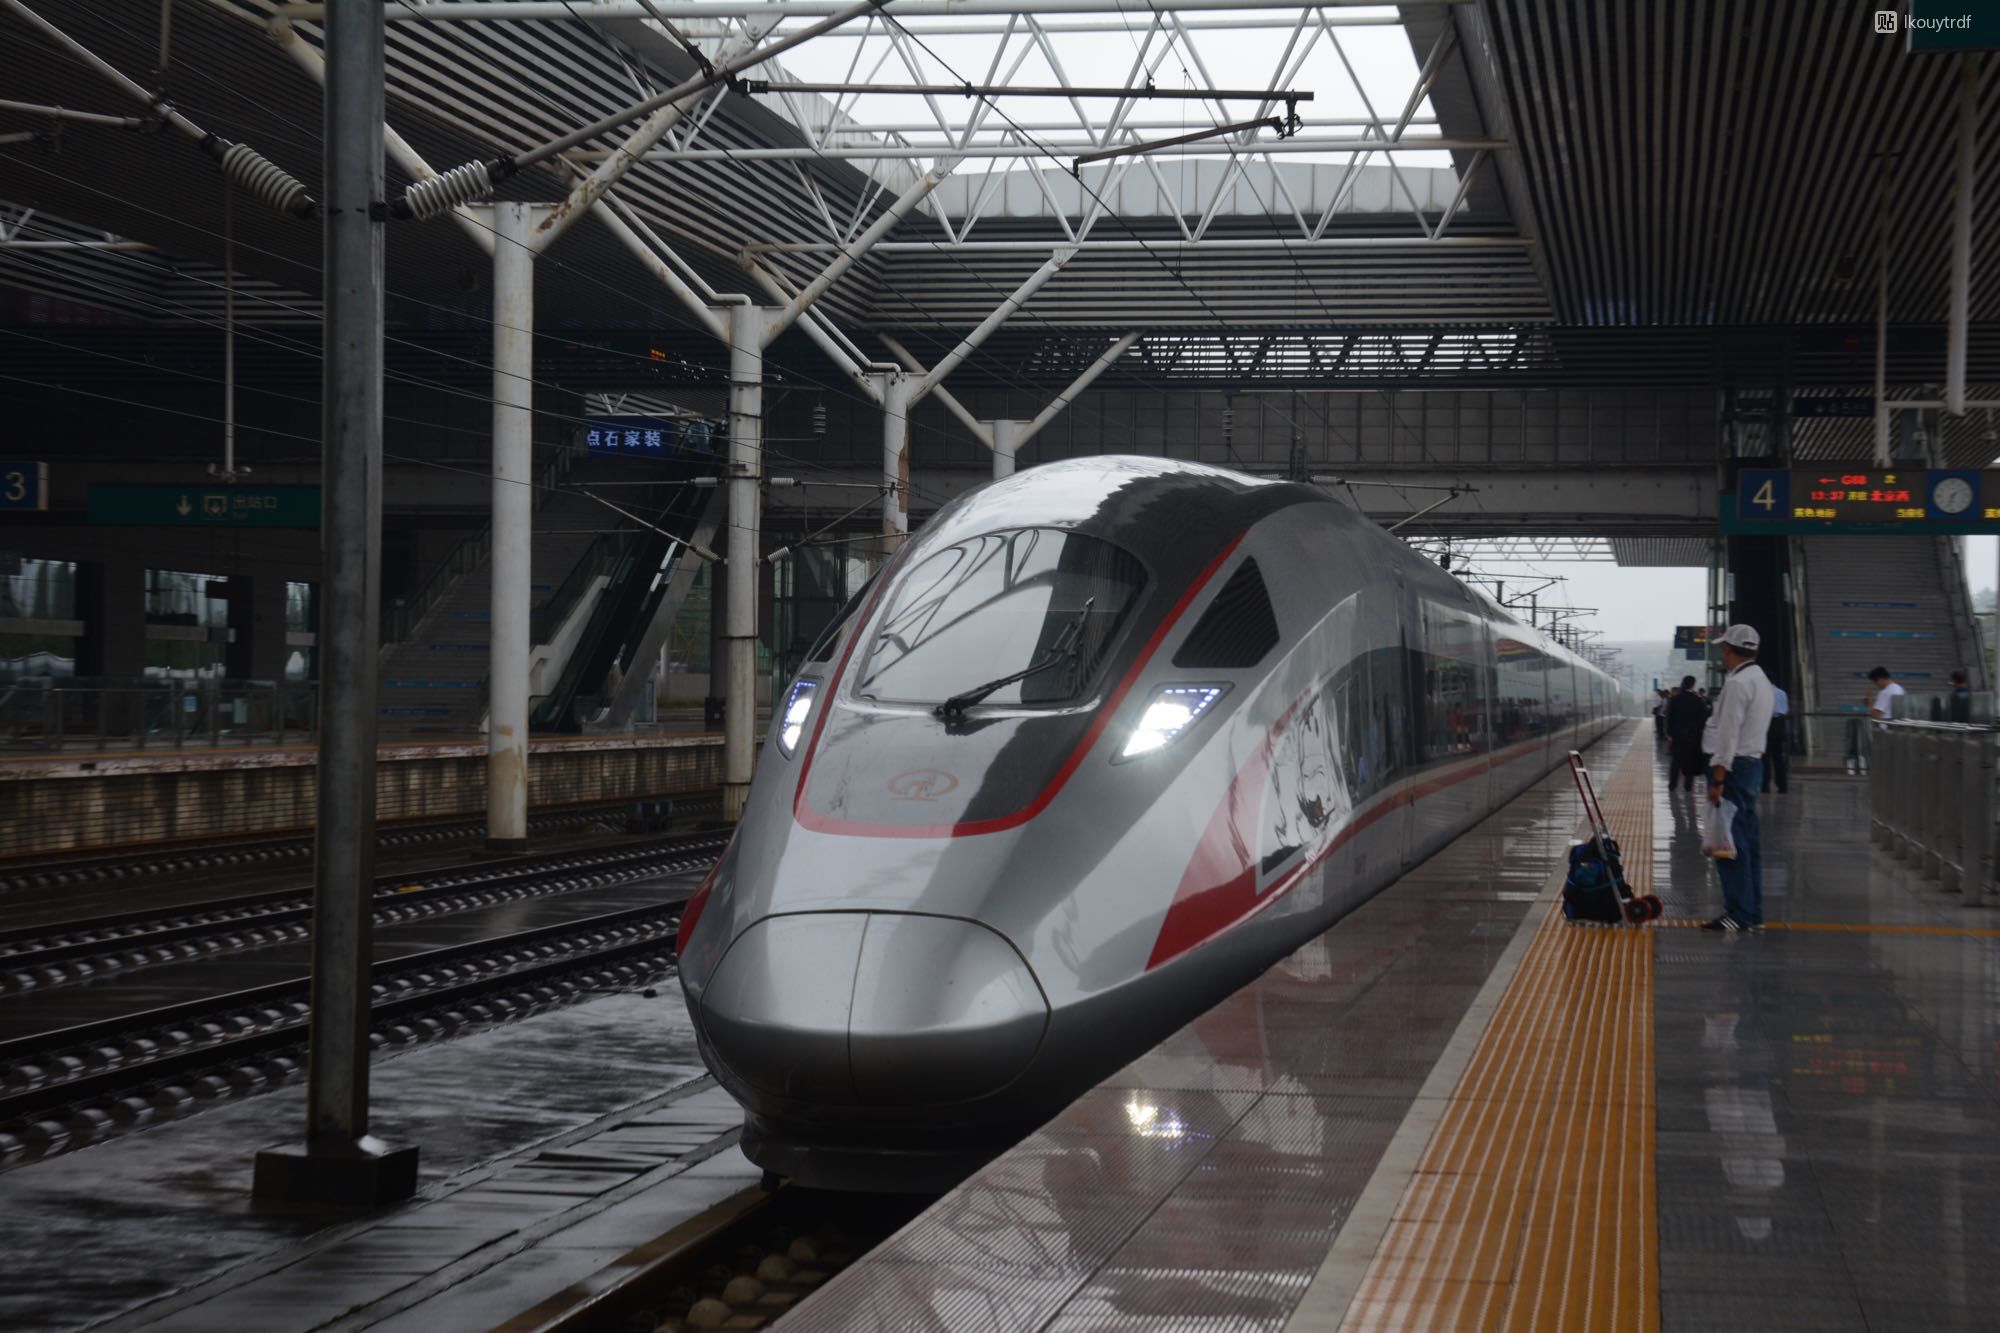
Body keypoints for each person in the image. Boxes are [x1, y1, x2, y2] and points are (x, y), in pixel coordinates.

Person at [1701, 624, 1775, 932]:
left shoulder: (1737, 684)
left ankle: (1738, 913)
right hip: (1751, 766)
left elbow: (1728, 734)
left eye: (1723, 648)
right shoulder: (1761, 679)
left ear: (1729, 650)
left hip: (1732, 770)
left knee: (1728, 844)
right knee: (1747, 842)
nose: (1723, 654)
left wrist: (1718, 778)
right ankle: (1752, 912)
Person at [1665, 676, 1710, 792]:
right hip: (1693, 736)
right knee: (1690, 760)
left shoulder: (1675, 699)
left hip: (1677, 735)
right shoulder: (1698, 700)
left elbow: (1669, 718)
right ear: (1693, 685)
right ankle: (1688, 785)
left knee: (1676, 761)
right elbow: (1703, 718)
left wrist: (1669, 733)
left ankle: (1672, 785)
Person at [1762, 675, 1790, 794]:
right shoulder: (1782, 693)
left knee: (1766, 756)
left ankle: (1765, 785)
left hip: (1769, 722)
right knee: (1779, 757)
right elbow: (1786, 709)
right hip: (1781, 723)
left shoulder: (1765, 692)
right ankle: (1782, 785)